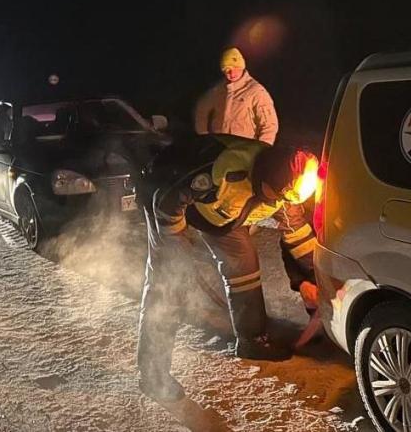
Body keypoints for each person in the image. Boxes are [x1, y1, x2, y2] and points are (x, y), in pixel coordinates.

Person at [136, 134, 320, 401]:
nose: (283, 202)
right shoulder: (221, 171)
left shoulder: (286, 184)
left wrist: (319, 275)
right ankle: (153, 374)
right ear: (264, 182)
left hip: (219, 216)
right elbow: (167, 200)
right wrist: (177, 247)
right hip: (165, 193)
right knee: (169, 282)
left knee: (243, 262)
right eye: (279, 196)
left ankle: (251, 341)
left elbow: (298, 236)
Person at [194, 47, 279, 145]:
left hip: (242, 151)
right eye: (227, 69)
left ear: (242, 67)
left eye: (236, 68)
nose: (232, 73)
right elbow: (202, 109)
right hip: (218, 150)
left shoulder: (256, 91)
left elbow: (269, 125)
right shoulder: (218, 90)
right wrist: (204, 137)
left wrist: (258, 150)